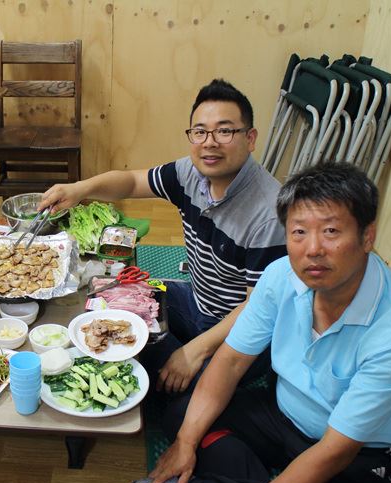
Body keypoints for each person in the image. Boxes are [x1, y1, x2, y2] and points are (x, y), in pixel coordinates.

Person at [123, 161, 391, 483]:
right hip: (282, 414)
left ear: (367, 236)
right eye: (299, 232)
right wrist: (185, 442)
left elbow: (337, 449)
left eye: (331, 231)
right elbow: (231, 361)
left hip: (363, 452)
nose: (313, 249)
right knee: (183, 416)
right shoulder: (280, 277)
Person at [40, 79, 286, 395]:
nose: (209, 142)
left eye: (225, 131)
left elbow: (259, 308)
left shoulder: (270, 214)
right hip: (197, 300)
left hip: (241, 332)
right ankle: (171, 353)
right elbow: (131, 182)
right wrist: (79, 189)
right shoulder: (190, 173)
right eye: (200, 132)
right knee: (114, 299)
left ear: (250, 138)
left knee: (176, 398)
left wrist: (194, 351)